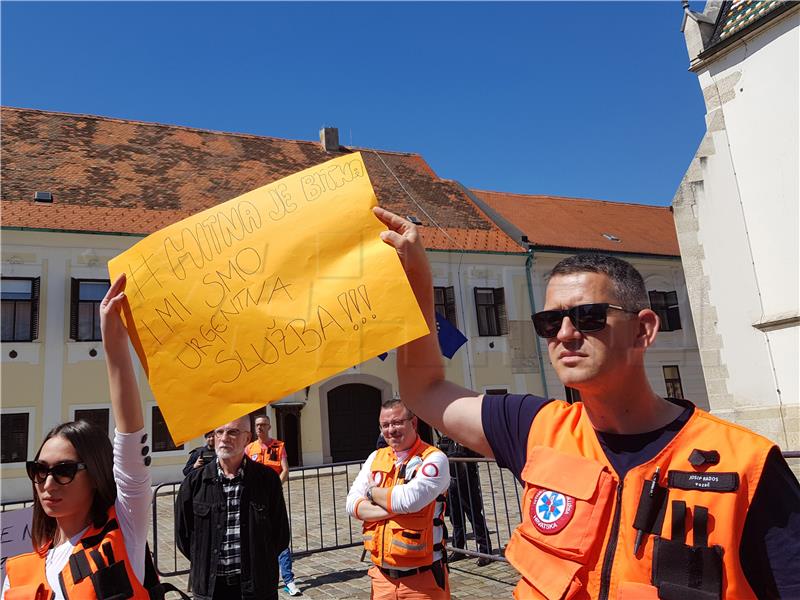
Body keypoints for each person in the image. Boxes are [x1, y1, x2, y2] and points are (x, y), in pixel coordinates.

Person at [373, 206, 800, 600]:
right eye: (549, 322)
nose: (564, 334)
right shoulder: (535, 428)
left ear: (643, 330)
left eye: (588, 316)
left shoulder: (746, 465)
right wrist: (416, 277)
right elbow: (422, 390)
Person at [2, 274, 184, 599]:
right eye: (39, 470)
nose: (47, 483)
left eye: (64, 471)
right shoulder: (17, 571)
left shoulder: (123, 534)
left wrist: (113, 340)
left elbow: (130, 444)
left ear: (96, 476)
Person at [176, 415, 290, 600]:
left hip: (256, 588)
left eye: (232, 432)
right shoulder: (194, 482)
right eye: (219, 432)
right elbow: (184, 536)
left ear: (247, 438)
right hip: (210, 590)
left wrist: (257, 562)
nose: (224, 438)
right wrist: (206, 562)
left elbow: (280, 535)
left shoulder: (267, 480)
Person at [346, 399, 451, 599]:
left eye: (397, 423)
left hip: (423, 580)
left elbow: (409, 500)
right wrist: (396, 507)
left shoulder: (434, 458)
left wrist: (371, 493)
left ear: (413, 423)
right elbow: (352, 505)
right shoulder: (375, 457)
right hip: (381, 579)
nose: (391, 430)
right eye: (385, 425)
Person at [244, 415, 301, 597]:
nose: (260, 428)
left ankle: (289, 580)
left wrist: (275, 486)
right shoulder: (249, 448)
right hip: (254, 500)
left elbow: (285, 469)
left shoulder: (278, 446)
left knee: (280, 537)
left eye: (263, 425)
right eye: (257, 425)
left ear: (269, 427)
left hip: (273, 498)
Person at [436, 435, 492, 567]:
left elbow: (480, 454)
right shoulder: (446, 438)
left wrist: (466, 446)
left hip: (468, 480)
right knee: (456, 517)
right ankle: (458, 548)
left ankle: (485, 550)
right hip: (451, 481)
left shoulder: (467, 436)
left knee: (474, 515)